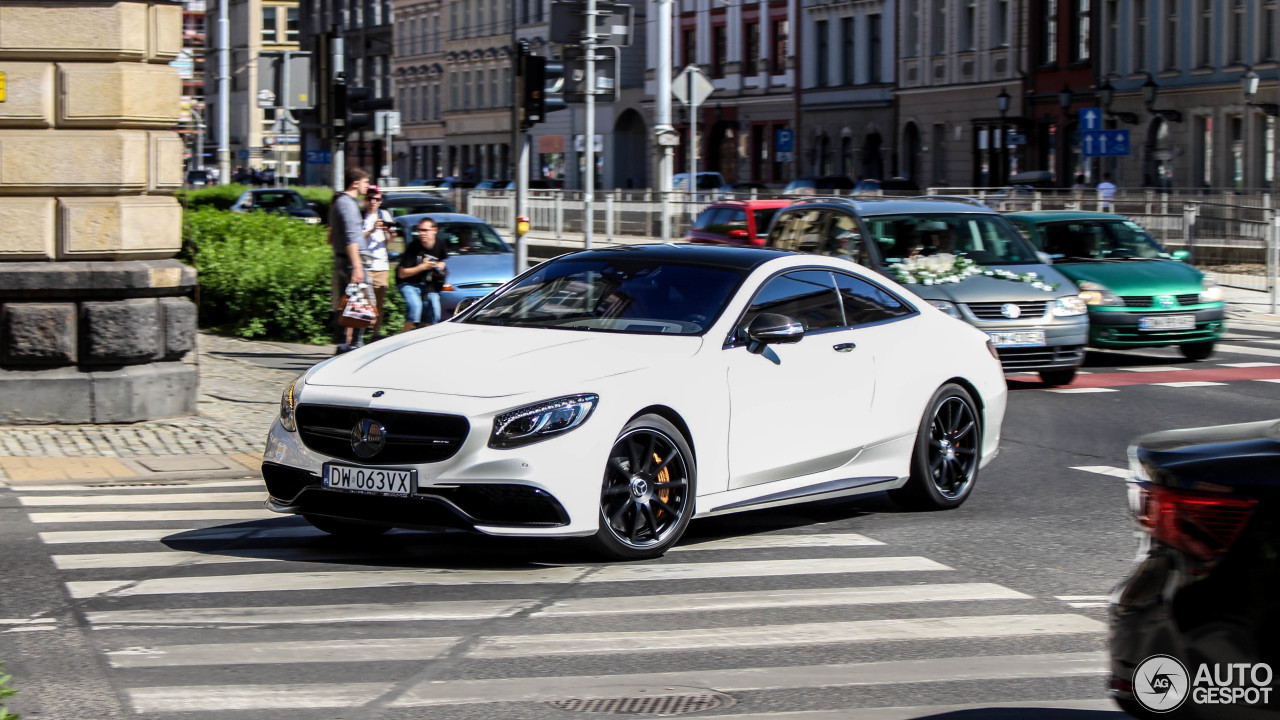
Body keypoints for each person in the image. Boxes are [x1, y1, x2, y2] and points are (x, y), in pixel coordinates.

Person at [330, 167, 371, 354]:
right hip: (351, 260)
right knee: (361, 303)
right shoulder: (347, 204)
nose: (367, 186)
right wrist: (357, 266)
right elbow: (350, 238)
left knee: (347, 302)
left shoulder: (340, 201)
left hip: (344, 259)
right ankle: (353, 345)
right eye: (365, 182)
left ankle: (345, 344)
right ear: (355, 183)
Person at [397, 218, 449, 333]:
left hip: (427, 284)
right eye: (419, 230)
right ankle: (403, 338)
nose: (421, 233)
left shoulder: (440, 243)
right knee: (415, 307)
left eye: (425, 230)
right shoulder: (413, 246)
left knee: (435, 310)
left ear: (434, 230)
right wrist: (422, 267)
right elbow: (402, 273)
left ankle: (428, 337)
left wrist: (439, 266)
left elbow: (442, 260)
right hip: (408, 283)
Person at [361, 187, 395, 338]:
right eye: (370, 198)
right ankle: (359, 334)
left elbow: (391, 240)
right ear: (365, 199)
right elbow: (356, 238)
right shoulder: (360, 215)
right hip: (364, 265)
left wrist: (389, 231)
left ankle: (375, 334)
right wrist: (372, 230)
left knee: (379, 304)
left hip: (382, 266)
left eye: (377, 199)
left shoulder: (384, 214)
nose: (373, 202)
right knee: (363, 302)